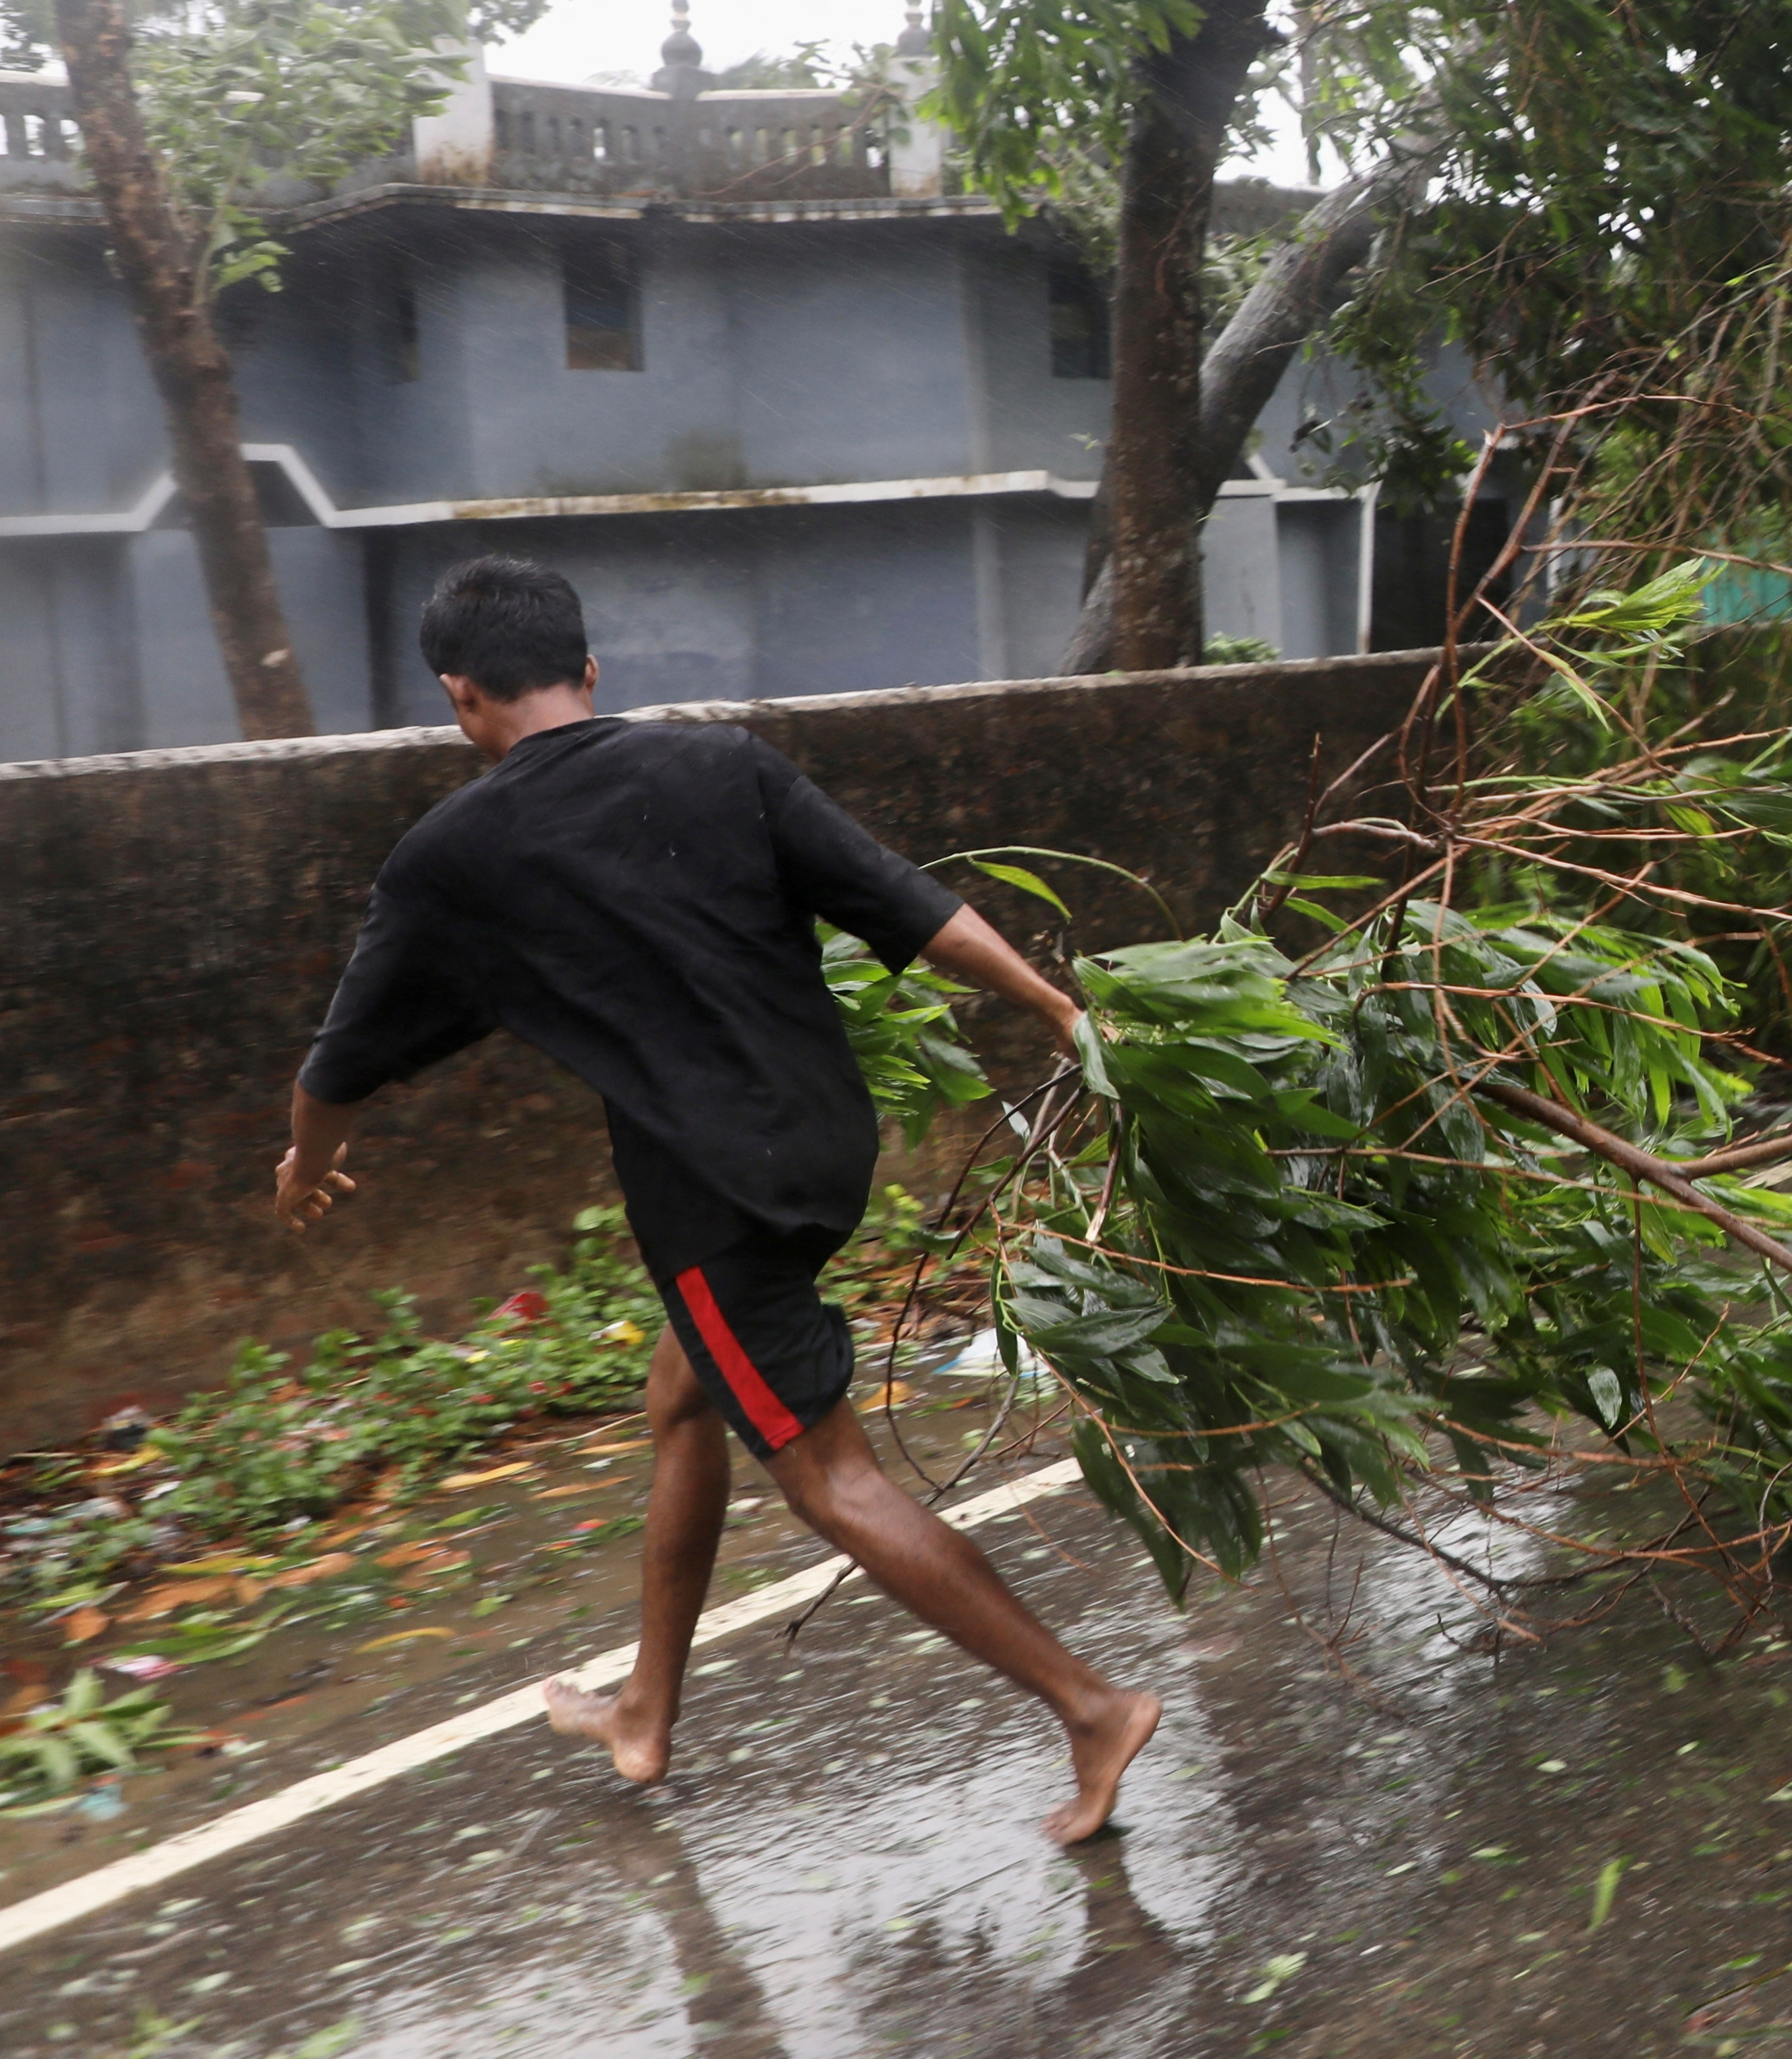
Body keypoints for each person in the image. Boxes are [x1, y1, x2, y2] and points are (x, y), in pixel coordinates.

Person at [275, 557, 1162, 1844]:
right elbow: (911, 906)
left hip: (713, 1195)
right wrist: (1059, 1010)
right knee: (683, 1389)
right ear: (588, 672)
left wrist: (306, 1169)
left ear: (462, 698)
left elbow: (339, 1063)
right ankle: (645, 1710)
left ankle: (1086, 1705)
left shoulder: (447, 860)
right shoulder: (721, 765)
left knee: (827, 1478)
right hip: (825, 1143)